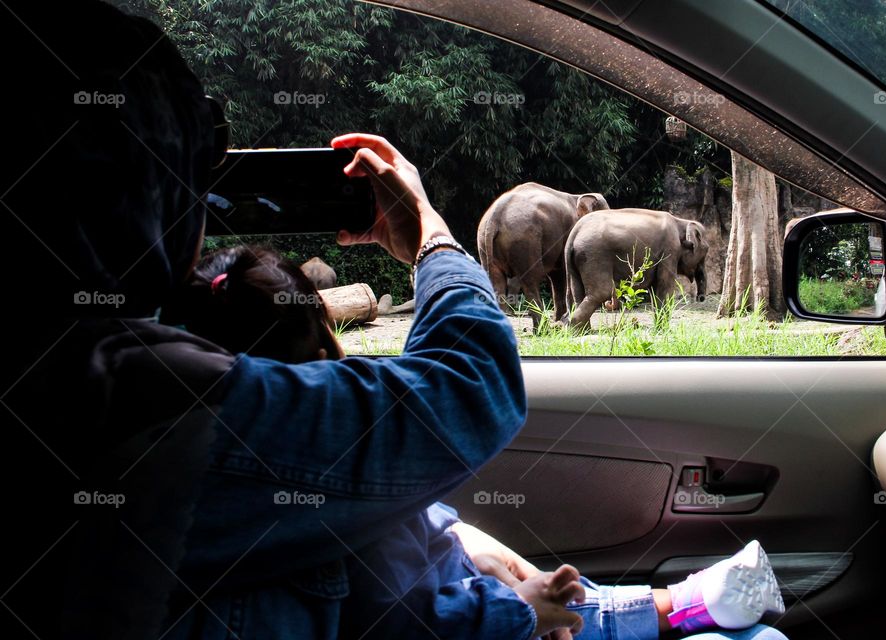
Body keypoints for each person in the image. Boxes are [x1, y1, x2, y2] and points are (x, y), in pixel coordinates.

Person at [0, 3, 554, 638]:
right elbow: (471, 387)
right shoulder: (128, 386)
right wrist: (432, 234)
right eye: (190, 173)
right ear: (155, 186)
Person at [174, 244, 789, 640]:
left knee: (563, 592)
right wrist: (431, 237)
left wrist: (466, 544)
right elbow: (411, 622)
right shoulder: (314, 462)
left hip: (463, 592)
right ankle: (677, 606)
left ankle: (676, 603)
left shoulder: (186, 461)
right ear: (327, 356)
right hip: (475, 618)